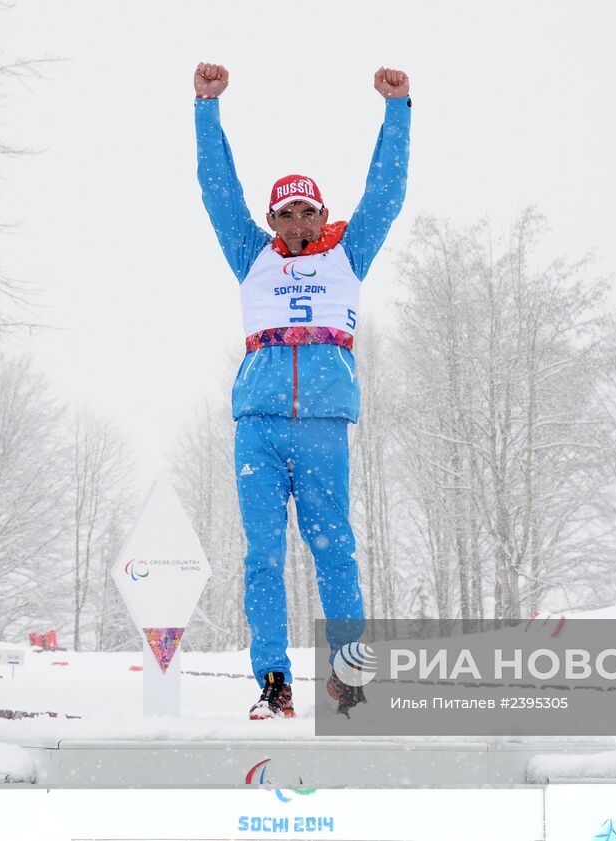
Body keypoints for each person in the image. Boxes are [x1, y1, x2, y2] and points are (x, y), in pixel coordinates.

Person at [193, 62, 410, 719]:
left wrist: (397, 111)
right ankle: (275, 687)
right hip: (259, 423)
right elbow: (215, 188)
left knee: (334, 551)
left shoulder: (350, 253)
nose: (293, 221)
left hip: (321, 423)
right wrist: (207, 109)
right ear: (270, 217)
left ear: (321, 214)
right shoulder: (249, 253)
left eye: (305, 210)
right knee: (262, 558)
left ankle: (349, 685)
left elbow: (388, 190)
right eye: (283, 212)